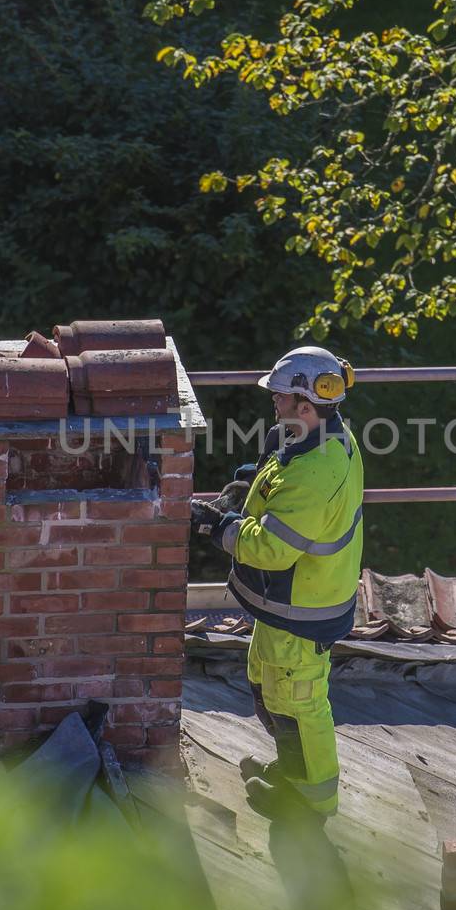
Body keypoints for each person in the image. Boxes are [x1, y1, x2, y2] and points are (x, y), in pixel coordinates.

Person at [192, 345, 365, 822]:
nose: (273, 402)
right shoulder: (316, 435)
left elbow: (271, 549)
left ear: (305, 404)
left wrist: (217, 526)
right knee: (269, 688)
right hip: (287, 604)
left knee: (297, 706)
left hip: (304, 607)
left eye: (279, 397)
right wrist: (251, 485)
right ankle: (294, 770)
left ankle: (311, 801)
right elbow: (280, 473)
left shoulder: (318, 470)